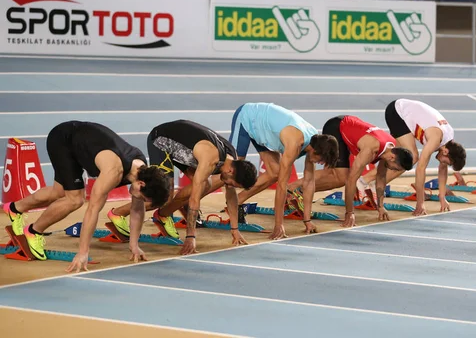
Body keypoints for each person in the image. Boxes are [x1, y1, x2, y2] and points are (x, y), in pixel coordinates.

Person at [2, 121, 170, 272]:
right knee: (75, 199)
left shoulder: (143, 171)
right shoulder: (113, 172)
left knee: (58, 192)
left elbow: (137, 209)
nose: (140, 201)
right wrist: (83, 252)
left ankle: (15, 208)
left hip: (83, 142)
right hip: (64, 139)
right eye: (143, 198)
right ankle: (33, 231)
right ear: (141, 185)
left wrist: (134, 245)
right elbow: (92, 211)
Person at [106, 119, 258, 255]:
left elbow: (231, 197)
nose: (229, 185)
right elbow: (194, 199)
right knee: (165, 195)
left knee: (207, 184)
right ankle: (118, 213)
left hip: (186, 151)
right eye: (232, 183)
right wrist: (190, 236)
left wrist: (235, 229)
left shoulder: (232, 159)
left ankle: (163, 215)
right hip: (162, 141)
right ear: (231, 172)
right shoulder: (210, 160)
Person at [216, 102, 339, 240]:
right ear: (316, 151)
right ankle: (192, 200)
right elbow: (282, 186)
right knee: (230, 171)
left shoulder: (315, 142)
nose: (321, 163)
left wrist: (307, 220)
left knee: (274, 172)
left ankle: (237, 203)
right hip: (248, 118)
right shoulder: (295, 143)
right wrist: (278, 224)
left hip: (264, 130)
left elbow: (309, 182)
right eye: (322, 160)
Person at [288, 115, 414, 228]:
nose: (392, 170)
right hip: (337, 128)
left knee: (335, 175)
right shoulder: (370, 150)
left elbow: (380, 177)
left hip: (350, 127)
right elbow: (351, 181)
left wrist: (380, 207)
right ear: (392, 158)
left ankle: (297, 190)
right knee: (342, 177)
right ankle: (293, 189)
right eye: (395, 168)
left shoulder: (390, 149)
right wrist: (349, 213)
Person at [361, 99, 466, 216]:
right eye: (448, 162)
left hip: (406, 115)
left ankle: (367, 182)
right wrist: (420, 203)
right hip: (398, 112)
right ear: (446, 152)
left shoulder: (449, 141)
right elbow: (420, 169)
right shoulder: (435, 138)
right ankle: (366, 181)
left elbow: (442, 170)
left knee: (395, 155)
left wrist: (442, 198)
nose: (445, 163)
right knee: (412, 157)